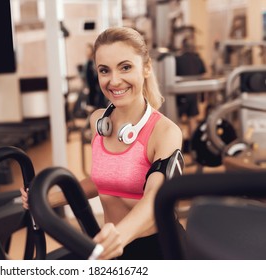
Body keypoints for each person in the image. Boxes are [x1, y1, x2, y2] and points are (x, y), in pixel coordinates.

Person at [21, 26, 183, 260]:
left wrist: (119, 235)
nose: (114, 81)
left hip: (157, 249)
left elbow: (155, 198)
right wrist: (46, 199)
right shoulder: (99, 120)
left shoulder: (165, 132)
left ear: (146, 68)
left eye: (125, 67)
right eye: (104, 70)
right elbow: (102, 181)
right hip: (113, 246)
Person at [175, 36, 206, 148]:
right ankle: (194, 146)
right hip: (194, 94)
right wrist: (202, 96)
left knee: (176, 121)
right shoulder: (198, 60)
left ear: (182, 47)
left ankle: (178, 146)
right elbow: (202, 75)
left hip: (180, 94)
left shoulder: (177, 60)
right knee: (192, 120)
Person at [84, 43, 107, 109]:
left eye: (88, 50)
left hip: (96, 81)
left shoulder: (94, 60)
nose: (87, 52)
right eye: (86, 51)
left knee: (100, 91)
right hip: (91, 84)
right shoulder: (88, 62)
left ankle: (100, 106)